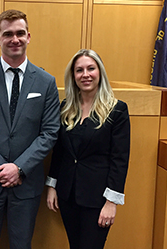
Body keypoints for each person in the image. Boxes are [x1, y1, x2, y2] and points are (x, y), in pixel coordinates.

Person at [0, 9, 60, 249]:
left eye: (20, 33)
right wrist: (3, 170)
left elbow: (49, 133)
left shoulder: (46, 82)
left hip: (26, 185)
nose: (14, 39)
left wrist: (19, 168)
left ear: (28, 36)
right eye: (7, 34)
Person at [46, 49, 130, 249]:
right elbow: (59, 152)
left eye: (91, 68)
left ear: (100, 72)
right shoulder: (66, 108)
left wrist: (112, 202)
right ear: (73, 76)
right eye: (79, 70)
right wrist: (52, 186)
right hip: (68, 196)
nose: (85, 74)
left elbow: (120, 159)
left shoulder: (117, 110)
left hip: (98, 200)